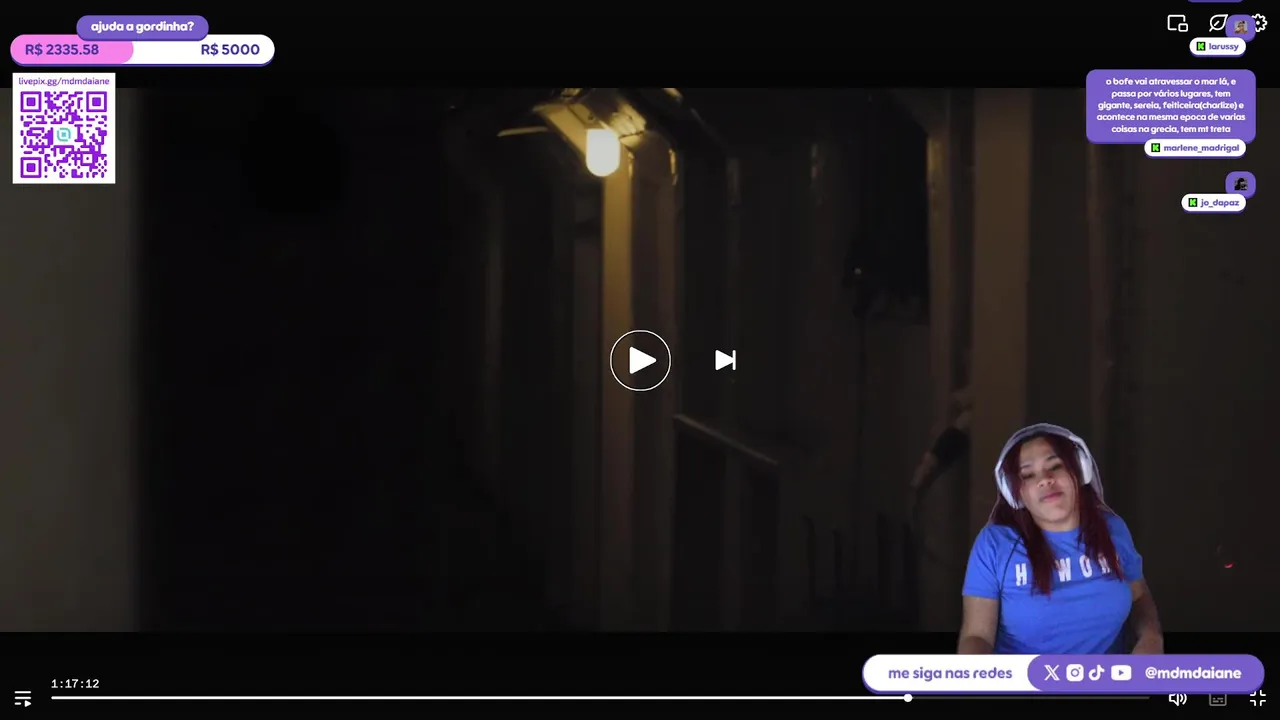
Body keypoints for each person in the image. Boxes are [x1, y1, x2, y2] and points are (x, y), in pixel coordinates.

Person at [957, 424, 1163, 654]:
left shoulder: (1112, 529)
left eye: (1055, 466)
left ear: (1080, 471)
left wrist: (1151, 636)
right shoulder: (994, 545)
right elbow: (977, 635)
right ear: (1016, 494)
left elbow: (1138, 596)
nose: (1045, 479)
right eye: (1028, 475)